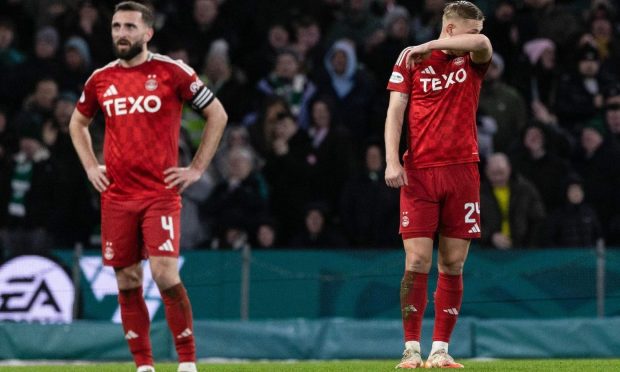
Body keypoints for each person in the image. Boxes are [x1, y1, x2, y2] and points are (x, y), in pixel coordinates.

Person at [68, 3, 227, 372]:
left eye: (129, 27)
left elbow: (217, 113)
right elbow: (77, 124)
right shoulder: (100, 79)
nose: (121, 33)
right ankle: (144, 366)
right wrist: (91, 166)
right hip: (117, 196)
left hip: (159, 193)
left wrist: (197, 168)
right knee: (127, 279)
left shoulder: (172, 72)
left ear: (147, 33)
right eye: (116, 26)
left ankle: (187, 363)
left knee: (164, 273)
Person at [384, 1, 491, 368]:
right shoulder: (409, 59)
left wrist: (429, 46)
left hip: (463, 170)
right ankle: (411, 349)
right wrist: (391, 159)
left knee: (453, 263)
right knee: (416, 260)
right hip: (421, 171)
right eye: (471, 29)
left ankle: (441, 349)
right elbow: (396, 109)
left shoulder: (470, 57)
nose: (478, 36)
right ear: (451, 27)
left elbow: (483, 46)